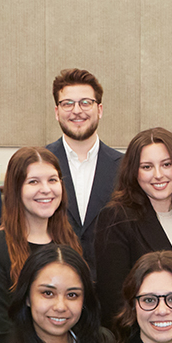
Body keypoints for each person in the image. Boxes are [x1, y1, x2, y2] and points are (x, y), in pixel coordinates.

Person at [87, 128, 172, 327]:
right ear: (133, 172)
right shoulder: (116, 218)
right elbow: (114, 301)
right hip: (141, 340)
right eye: (147, 167)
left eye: (166, 164)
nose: (158, 175)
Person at [0, 146, 83, 343]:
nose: (46, 189)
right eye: (33, 182)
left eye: (52, 180)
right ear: (15, 189)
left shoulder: (73, 244)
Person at [45, 68, 123, 242]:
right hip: (54, 266)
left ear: (100, 110)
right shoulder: (40, 163)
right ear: (57, 112)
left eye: (86, 102)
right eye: (67, 103)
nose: (77, 110)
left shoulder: (124, 166)